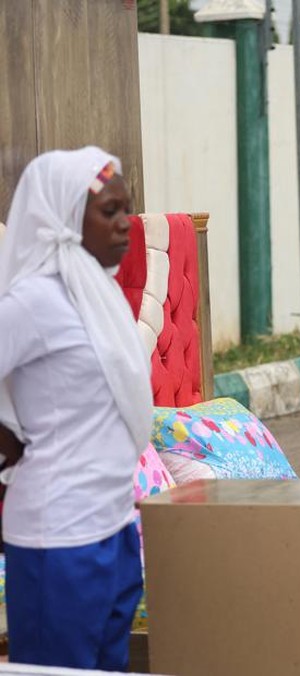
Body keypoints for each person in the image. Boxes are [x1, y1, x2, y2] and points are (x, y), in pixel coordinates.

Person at [0, 147, 152, 670]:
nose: (126, 224)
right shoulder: (35, 301)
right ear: (66, 217)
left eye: (127, 209)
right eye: (109, 212)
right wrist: (8, 443)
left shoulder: (98, 292)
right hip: (57, 542)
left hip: (113, 530)